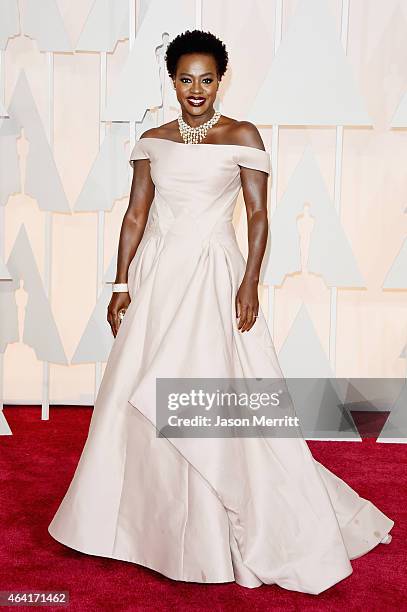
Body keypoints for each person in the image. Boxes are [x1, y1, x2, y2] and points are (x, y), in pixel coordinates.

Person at [48, 29, 394, 595]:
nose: (196, 90)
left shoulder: (243, 136)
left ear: (220, 80)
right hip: (159, 279)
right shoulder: (152, 140)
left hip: (213, 275)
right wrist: (119, 284)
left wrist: (251, 280)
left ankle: (221, 525)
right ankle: (140, 529)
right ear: (173, 82)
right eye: (186, 79)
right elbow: (136, 215)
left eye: (207, 79)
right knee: (136, 393)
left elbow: (258, 217)